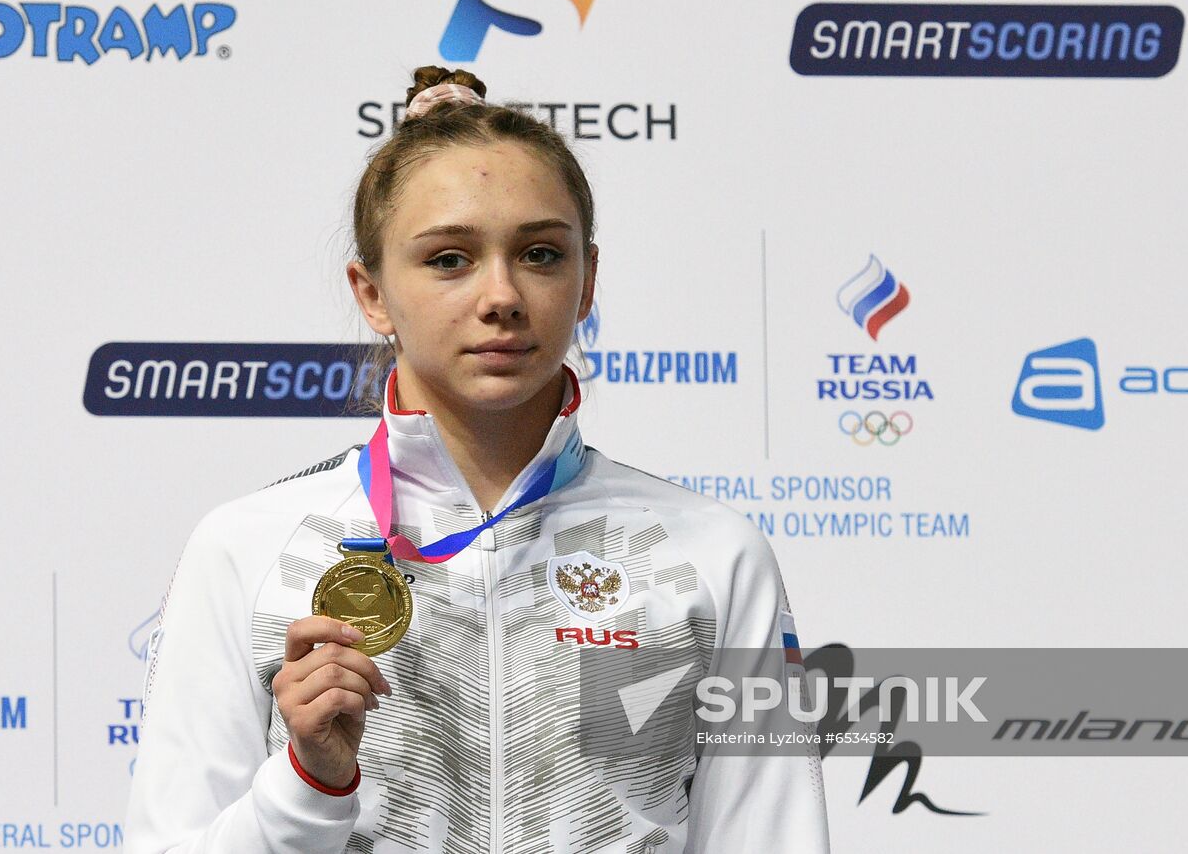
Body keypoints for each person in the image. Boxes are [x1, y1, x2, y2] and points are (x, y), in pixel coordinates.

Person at [124, 66, 830, 853]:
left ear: (587, 279)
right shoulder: (248, 549)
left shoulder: (712, 553)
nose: (501, 294)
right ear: (372, 293)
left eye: (539, 253)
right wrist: (309, 781)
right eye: (450, 259)